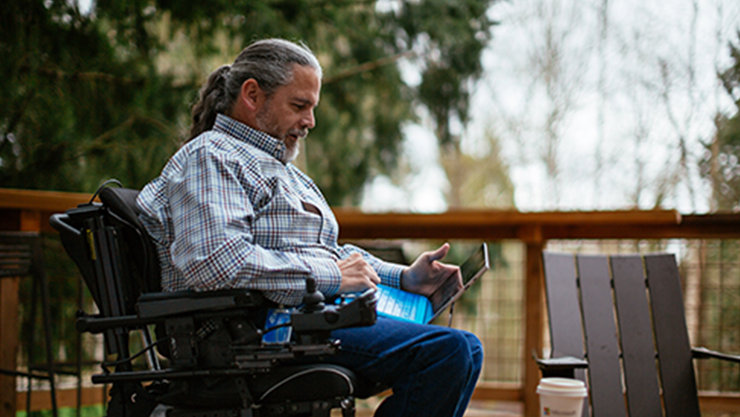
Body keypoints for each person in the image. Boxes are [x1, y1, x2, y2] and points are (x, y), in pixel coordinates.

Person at [137, 38, 482, 417]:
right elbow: (216, 262)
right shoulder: (212, 157)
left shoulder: (282, 170)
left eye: (312, 108)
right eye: (299, 106)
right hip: (253, 332)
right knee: (447, 354)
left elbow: (328, 251)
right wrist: (330, 276)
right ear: (252, 94)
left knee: (467, 349)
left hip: (308, 317)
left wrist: (402, 278)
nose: (310, 122)